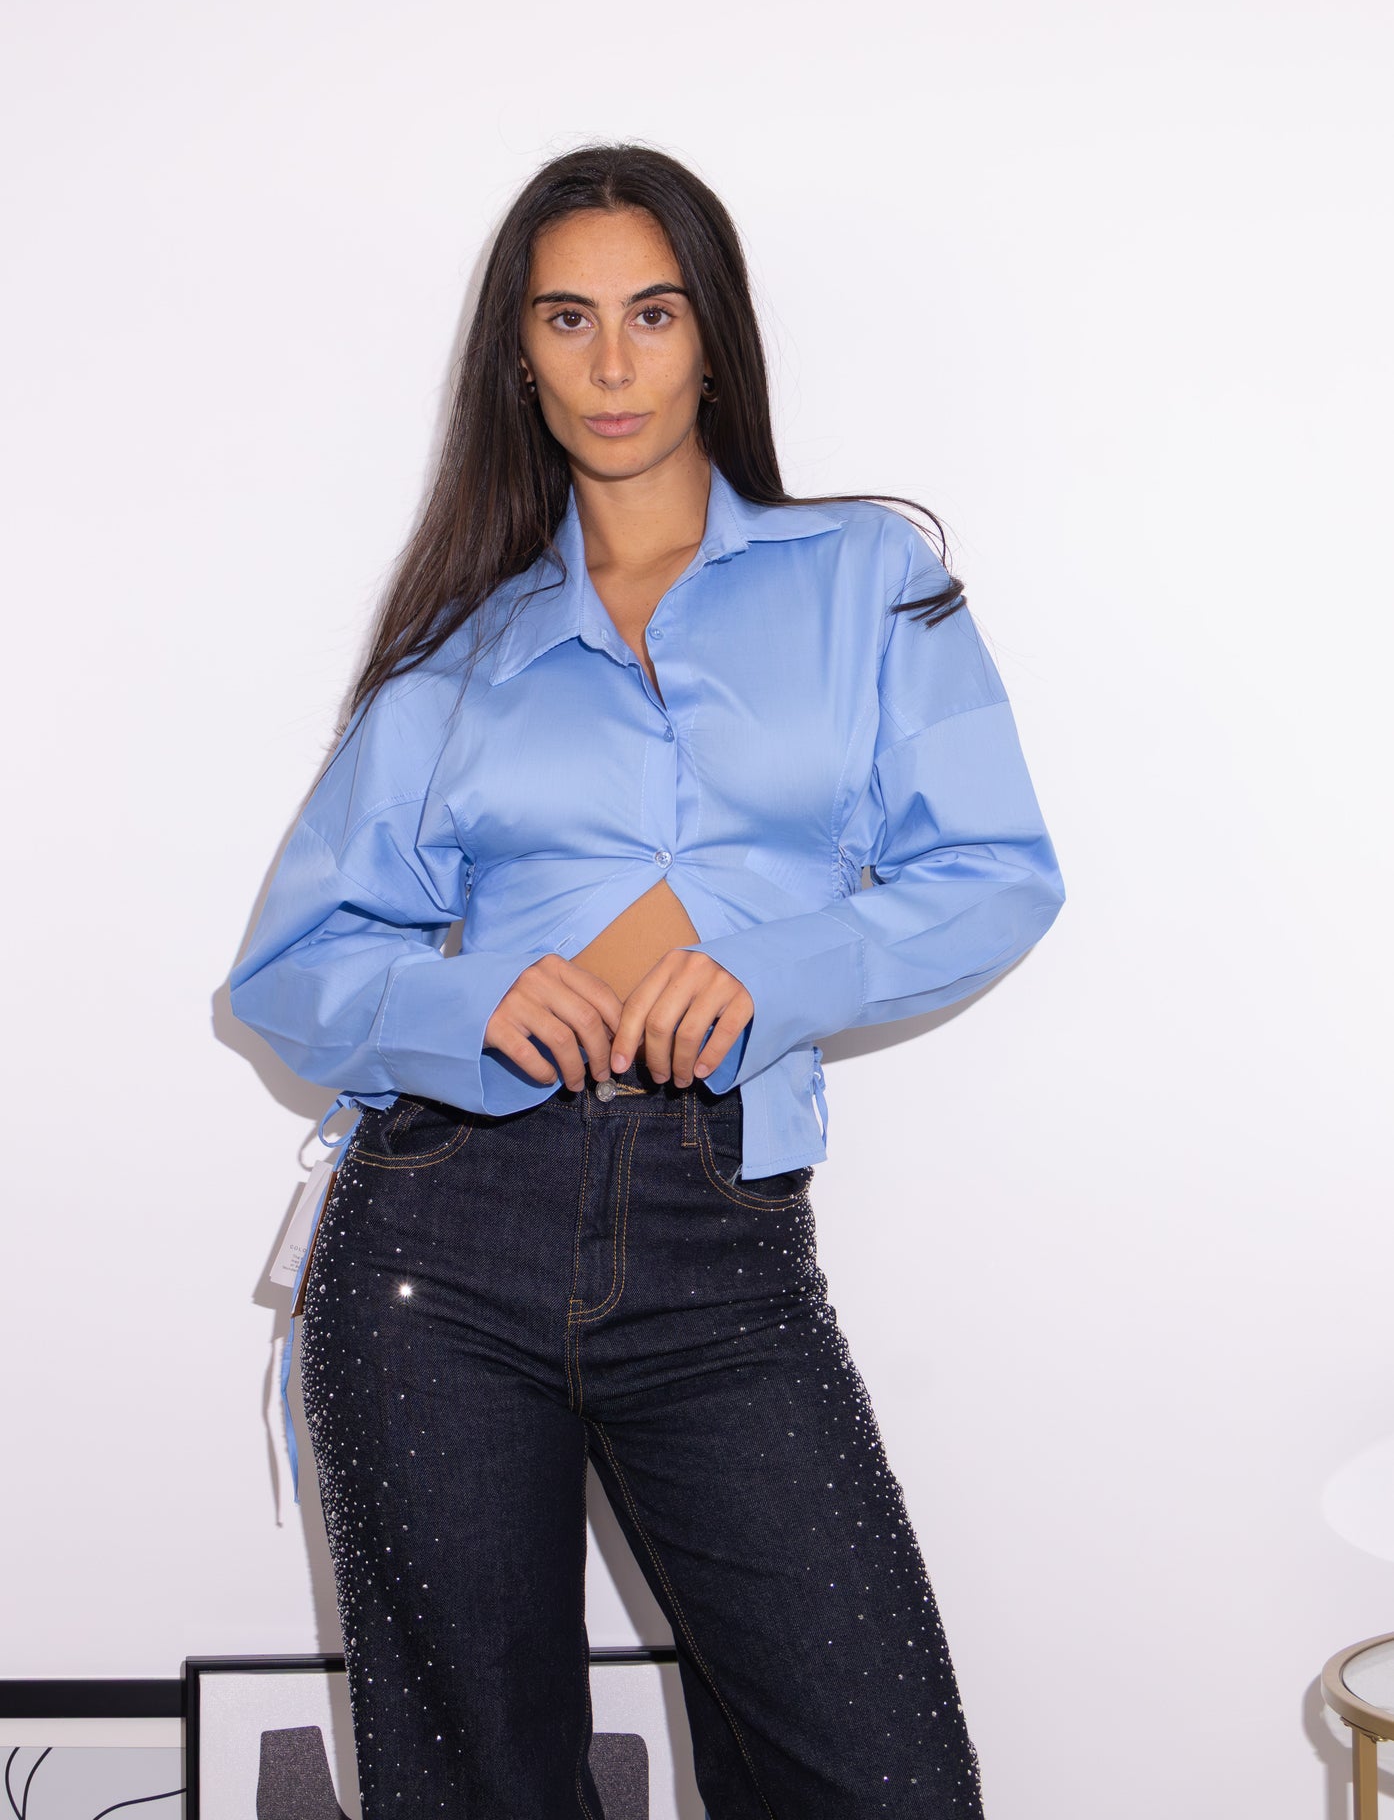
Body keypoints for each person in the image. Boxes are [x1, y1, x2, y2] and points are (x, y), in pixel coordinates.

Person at [228, 142, 1065, 1819]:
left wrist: (769, 972)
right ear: (518, 358)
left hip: (715, 1231)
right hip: (438, 1242)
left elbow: (995, 872)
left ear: (711, 340)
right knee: (479, 1782)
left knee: (881, 1775)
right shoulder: (457, 650)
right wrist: (465, 1007)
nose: (611, 363)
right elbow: (289, 969)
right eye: (567, 319)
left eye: (652, 313)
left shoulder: (867, 578)